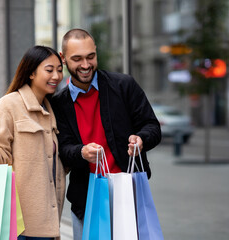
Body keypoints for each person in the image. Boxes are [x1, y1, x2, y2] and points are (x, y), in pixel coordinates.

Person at [50, 29, 161, 240]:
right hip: (87, 201)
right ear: (63, 59)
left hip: (129, 195)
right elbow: (62, 149)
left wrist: (141, 139)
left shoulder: (124, 85)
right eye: (77, 59)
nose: (85, 65)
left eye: (90, 56)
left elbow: (152, 126)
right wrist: (81, 152)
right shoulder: (58, 104)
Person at [0, 46, 66, 240]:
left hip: (49, 219)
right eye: (49, 70)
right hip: (19, 222)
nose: (56, 76)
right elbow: (1, 156)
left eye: (59, 69)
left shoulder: (51, 109)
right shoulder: (8, 105)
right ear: (31, 72)